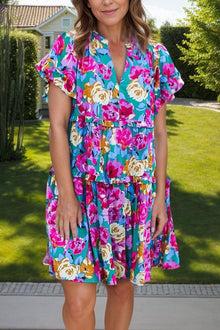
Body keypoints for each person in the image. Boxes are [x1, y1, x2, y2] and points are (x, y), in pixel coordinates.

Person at [35, 0, 184, 329]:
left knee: (121, 291)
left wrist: (160, 198)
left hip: (134, 196)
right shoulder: (68, 50)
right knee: (78, 304)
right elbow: (57, 127)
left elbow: (159, 134)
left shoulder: (155, 56)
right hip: (78, 193)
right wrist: (67, 196)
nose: (106, 0)